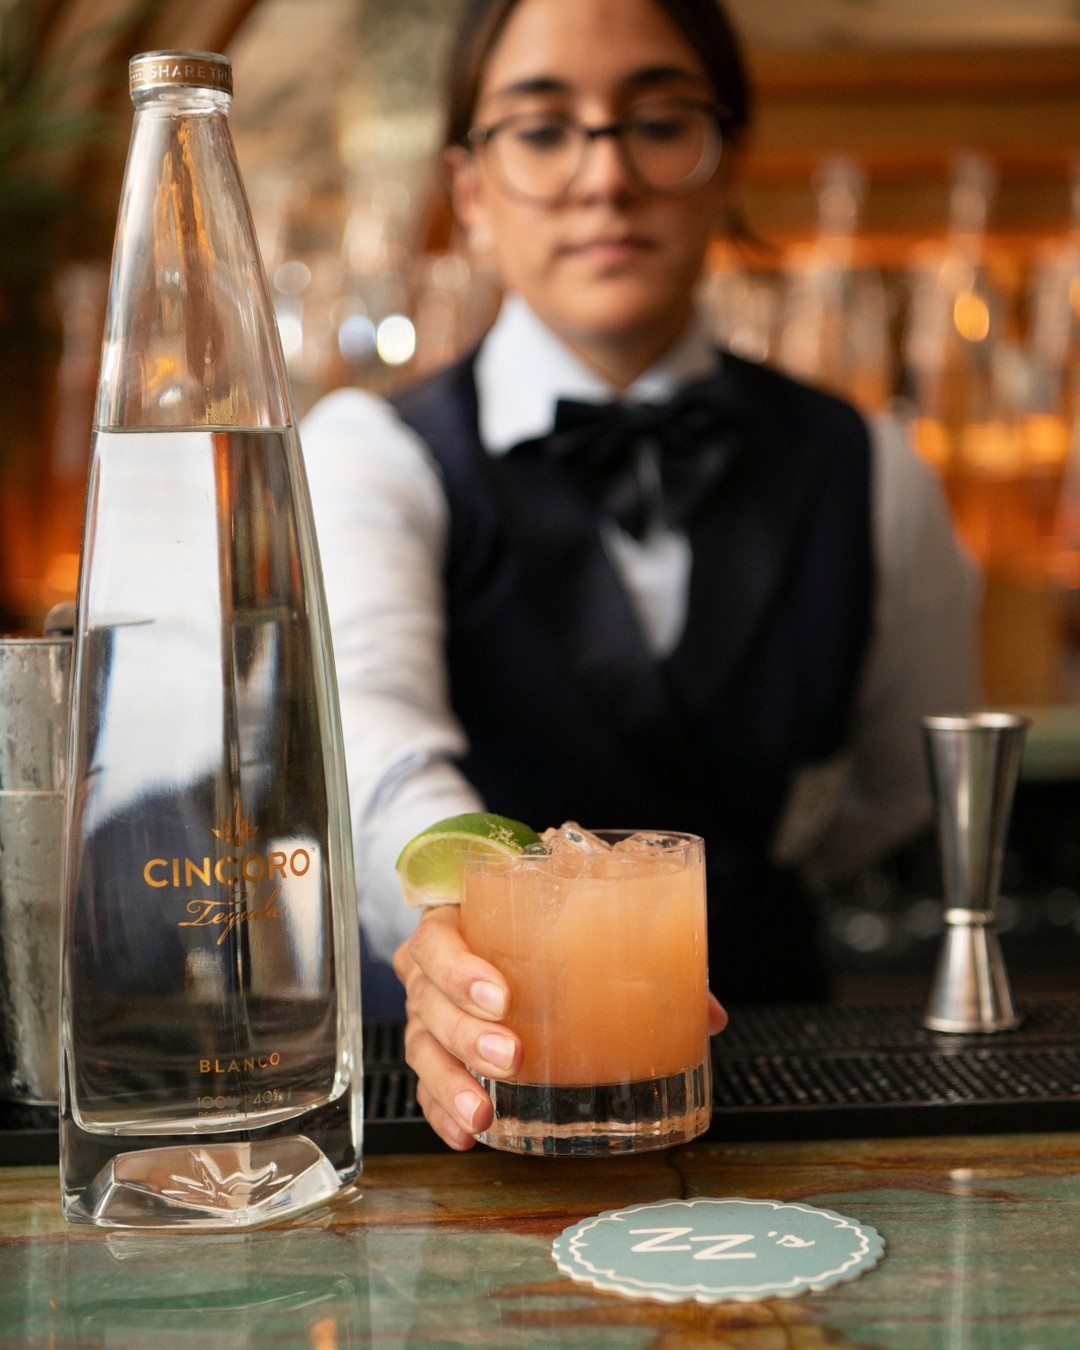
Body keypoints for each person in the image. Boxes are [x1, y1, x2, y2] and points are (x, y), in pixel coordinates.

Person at [300, 0, 979, 1149]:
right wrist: (460, 930)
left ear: (729, 161)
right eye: (541, 129)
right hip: (472, 1102)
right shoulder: (369, 456)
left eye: (659, 122)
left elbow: (901, 783)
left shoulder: (872, 469)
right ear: (471, 187)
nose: (606, 178)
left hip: (784, 1092)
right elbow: (373, 749)